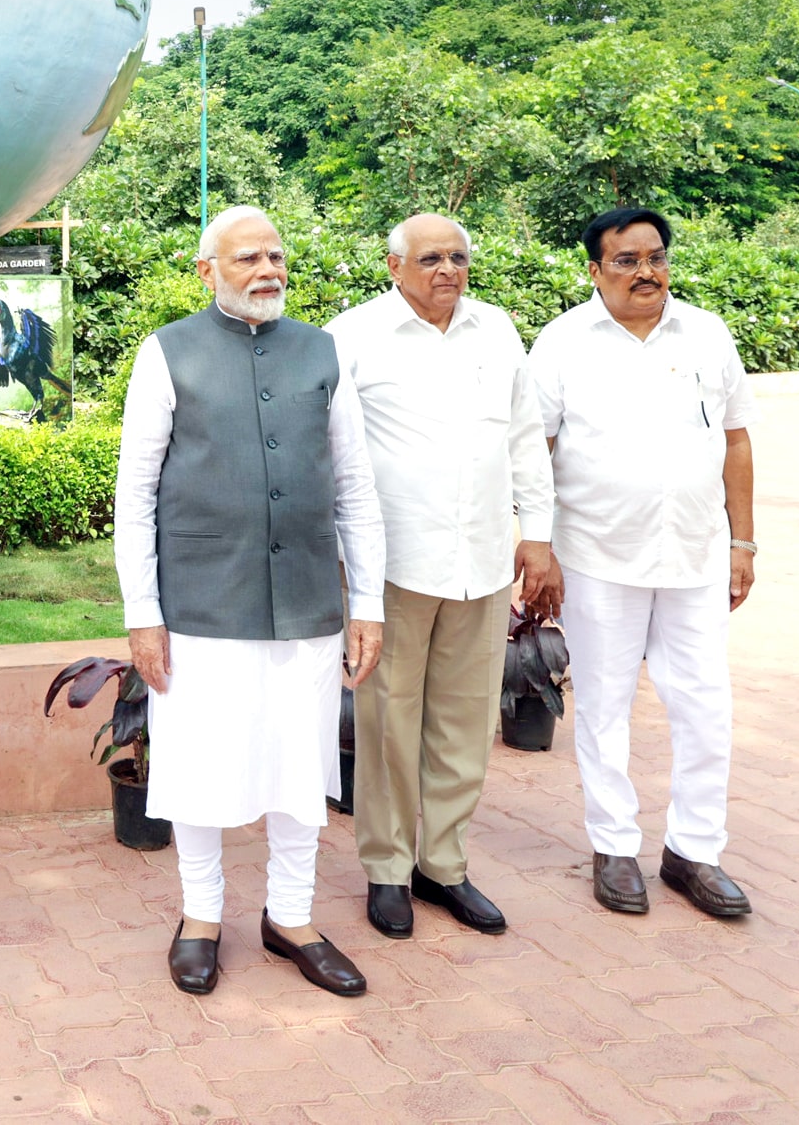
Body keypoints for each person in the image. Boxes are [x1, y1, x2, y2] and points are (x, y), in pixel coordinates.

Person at [113, 204, 387, 997]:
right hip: (200, 602)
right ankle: (201, 917)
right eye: (245, 259)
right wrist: (143, 612)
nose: (266, 270)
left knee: (302, 763)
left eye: (274, 255)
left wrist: (365, 599)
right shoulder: (167, 354)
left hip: (304, 599)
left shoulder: (321, 352)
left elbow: (354, 487)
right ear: (208, 272)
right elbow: (135, 492)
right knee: (198, 761)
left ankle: (291, 916)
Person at [326, 214, 554, 941]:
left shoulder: (498, 330)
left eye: (457, 256)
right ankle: (388, 869)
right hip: (393, 563)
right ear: (394, 266)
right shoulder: (353, 336)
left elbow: (524, 436)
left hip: (483, 561)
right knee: (389, 722)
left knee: (464, 725)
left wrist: (538, 535)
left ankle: (443, 866)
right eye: (430, 258)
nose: (446, 270)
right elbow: (330, 450)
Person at [527, 206, 757, 919]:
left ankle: (695, 852)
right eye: (626, 260)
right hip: (598, 556)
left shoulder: (707, 334)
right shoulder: (563, 343)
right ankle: (615, 846)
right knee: (603, 707)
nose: (645, 271)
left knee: (705, 707)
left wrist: (743, 542)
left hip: (695, 554)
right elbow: (534, 451)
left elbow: (738, 440)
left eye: (655, 256)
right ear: (594, 269)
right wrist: (537, 545)